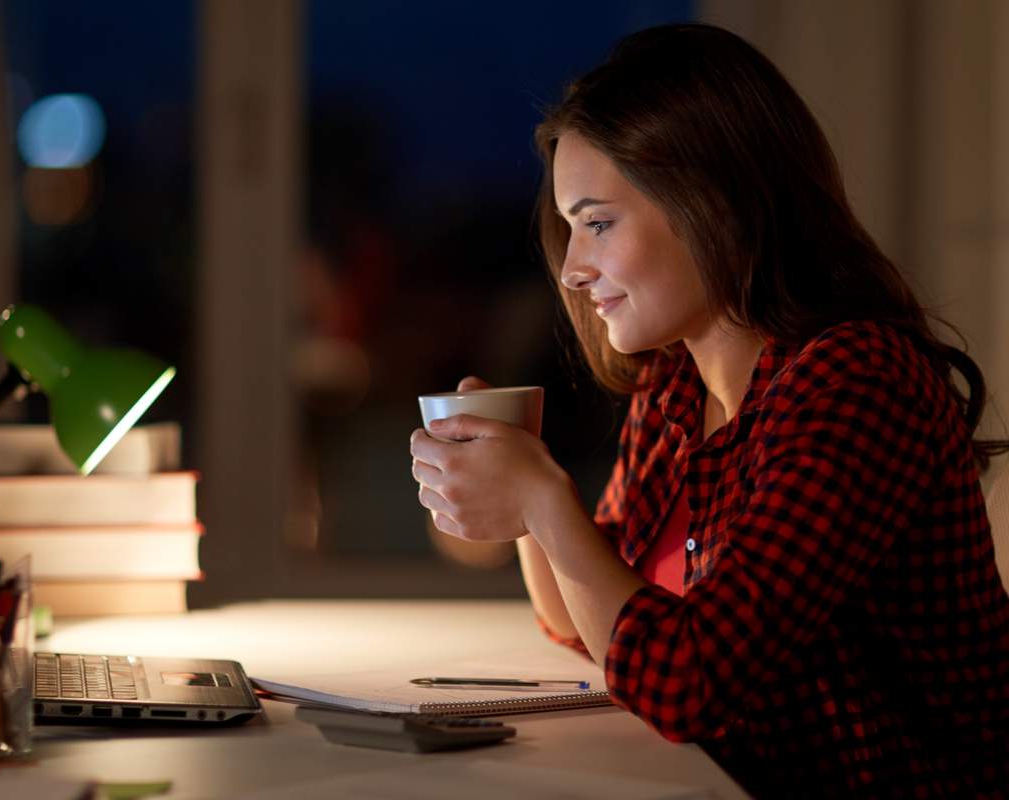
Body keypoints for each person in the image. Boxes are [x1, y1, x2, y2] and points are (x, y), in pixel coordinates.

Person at [408, 23, 1009, 798]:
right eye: (569, 230)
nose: (575, 270)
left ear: (712, 202)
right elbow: (598, 631)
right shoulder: (676, 388)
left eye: (597, 222)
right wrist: (518, 482)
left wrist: (540, 497)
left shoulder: (856, 382)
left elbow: (688, 684)